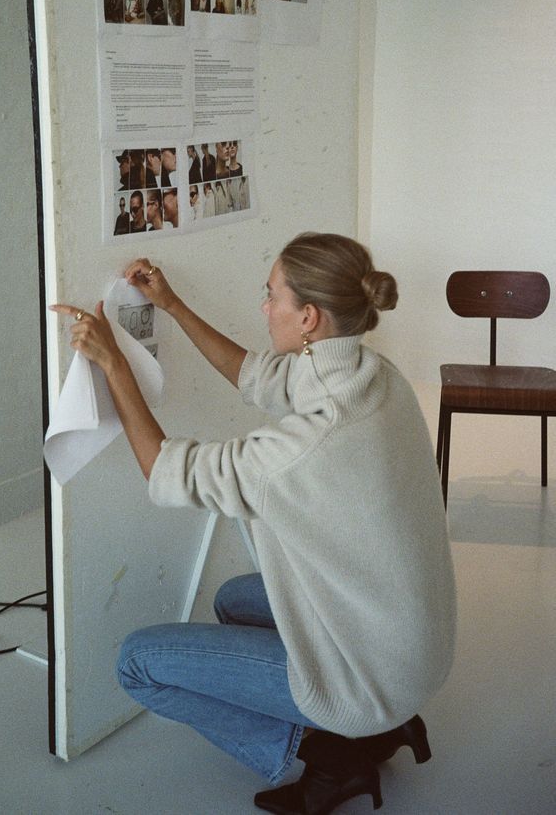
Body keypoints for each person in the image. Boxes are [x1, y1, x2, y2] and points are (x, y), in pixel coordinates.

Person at [50, 234, 456, 815]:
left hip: (373, 672)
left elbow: (165, 468)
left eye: (271, 297)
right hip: (409, 640)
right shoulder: (370, 374)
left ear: (309, 318)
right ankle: (377, 727)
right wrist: (171, 304)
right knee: (235, 600)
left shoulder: (306, 446)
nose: (263, 308)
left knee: (137, 664)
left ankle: (335, 755)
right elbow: (256, 374)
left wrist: (114, 363)